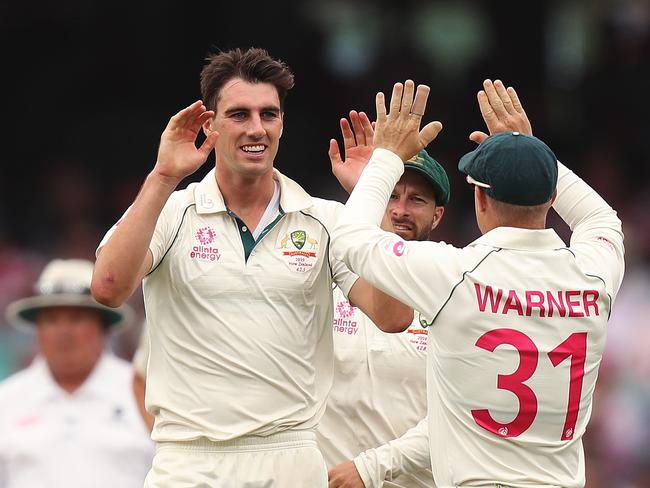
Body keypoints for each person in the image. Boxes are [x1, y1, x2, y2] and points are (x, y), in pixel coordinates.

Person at [90, 47, 412, 487]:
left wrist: (372, 200)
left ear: (282, 123)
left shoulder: (326, 219)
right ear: (211, 125)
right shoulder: (171, 210)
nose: (256, 128)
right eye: (239, 114)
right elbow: (107, 288)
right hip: (188, 460)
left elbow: (394, 317)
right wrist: (164, 175)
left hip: (291, 456)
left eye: (269, 114)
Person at [331, 79, 625, 487]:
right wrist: (531, 154)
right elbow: (602, 220)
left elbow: (352, 239)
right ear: (551, 194)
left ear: (480, 200)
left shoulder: (453, 275)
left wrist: (386, 158)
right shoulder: (594, 276)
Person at [320, 110, 448, 488]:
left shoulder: (453, 285)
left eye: (416, 200)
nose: (399, 210)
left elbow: (459, 416)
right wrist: (367, 196)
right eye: (390, 194)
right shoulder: (331, 269)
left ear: (438, 216)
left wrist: (371, 468)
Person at [0, 258, 154, 488]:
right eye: (52, 320)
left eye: (77, 319)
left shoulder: (146, 393)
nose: (64, 332)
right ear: (38, 330)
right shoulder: (6, 399)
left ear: (103, 327)